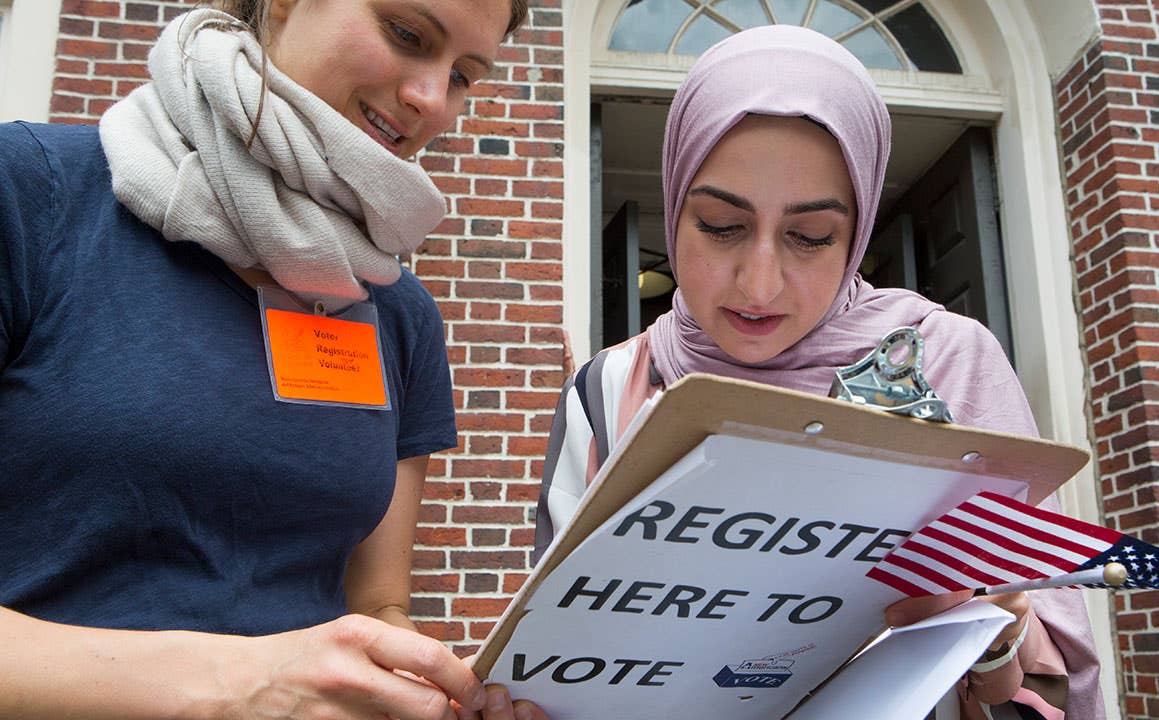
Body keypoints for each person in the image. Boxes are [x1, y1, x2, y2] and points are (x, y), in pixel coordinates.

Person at [534, 25, 1103, 719]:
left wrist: (994, 631)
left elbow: (1047, 679)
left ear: (857, 233)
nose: (760, 284)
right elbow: (557, 655)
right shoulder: (606, 392)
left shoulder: (946, 361)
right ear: (674, 203)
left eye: (810, 237)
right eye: (720, 225)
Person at [0, 1, 547, 718]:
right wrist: (239, 686)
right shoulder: (29, 195)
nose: (431, 100)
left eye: (464, 76)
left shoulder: (399, 312)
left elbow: (377, 604)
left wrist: (437, 690)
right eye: (407, 34)